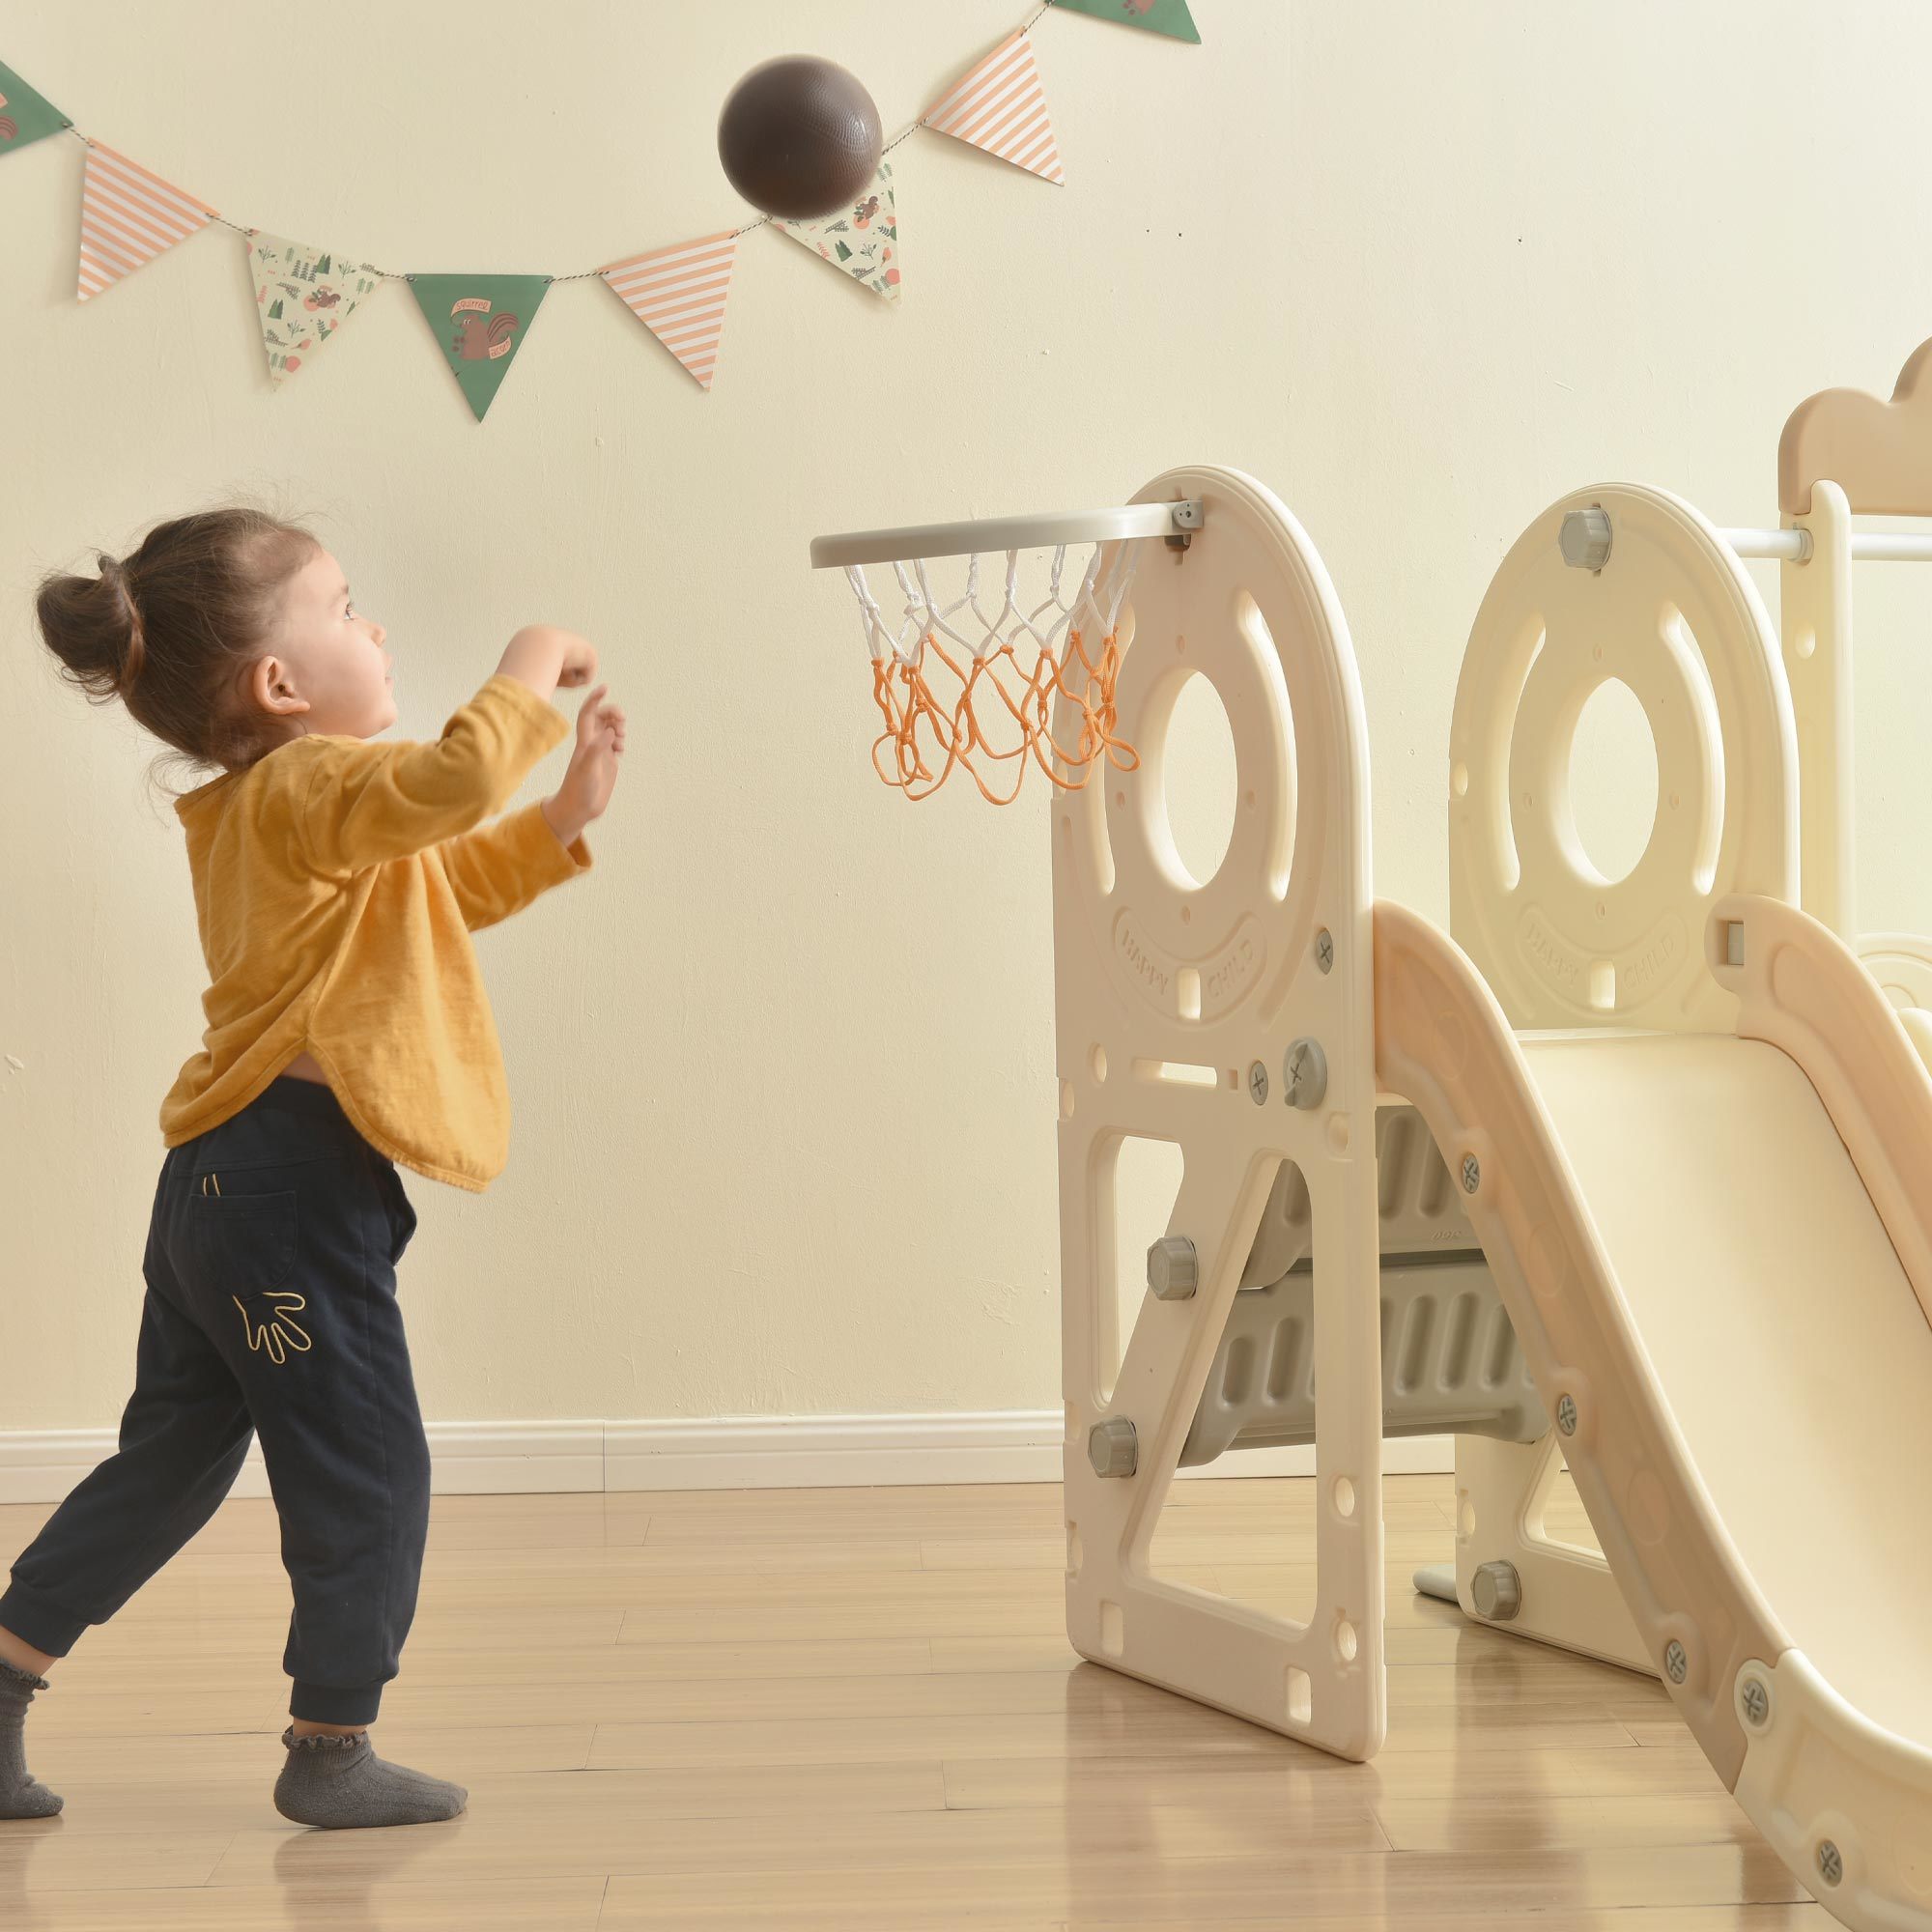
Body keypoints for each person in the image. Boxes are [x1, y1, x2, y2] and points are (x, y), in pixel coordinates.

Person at [2, 506, 621, 1828]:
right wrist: (526, 666)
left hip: (224, 1192)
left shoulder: (264, 813)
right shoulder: (303, 785)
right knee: (369, 1468)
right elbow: (451, 789)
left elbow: (434, 885)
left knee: (169, 1462)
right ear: (279, 687)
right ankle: (330, 1745)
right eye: (345, 607)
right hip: (280, 1198)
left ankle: (1, 1674)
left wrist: (561, 820)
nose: (375, 627)